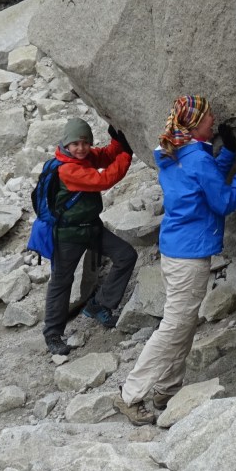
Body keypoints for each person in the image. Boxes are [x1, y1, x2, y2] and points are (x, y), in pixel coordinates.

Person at [114, 96, 236, 425]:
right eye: (208, 118)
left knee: (182, 323)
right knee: (174, 327)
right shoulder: (196, 159)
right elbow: (223, 201)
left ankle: (167, 388)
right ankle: (131, 393)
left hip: (174, 250)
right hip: (191, 256)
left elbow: (202, 181)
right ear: (194, 125)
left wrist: (226, 153)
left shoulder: (170, 152)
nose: (213, 121)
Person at [42, 118, 138, 356]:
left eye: (85, 142)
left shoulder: (82, 158)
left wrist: (117, 142)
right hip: (68, 234)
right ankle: (53, 334)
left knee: (126, 255)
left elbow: (104, 156)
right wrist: (127, 153)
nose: (81, 148)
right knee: (61, 283)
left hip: (91, 227)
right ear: (66, 143)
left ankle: (99, 305)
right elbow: (103, 180)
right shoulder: (68, 169)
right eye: (75, 143)